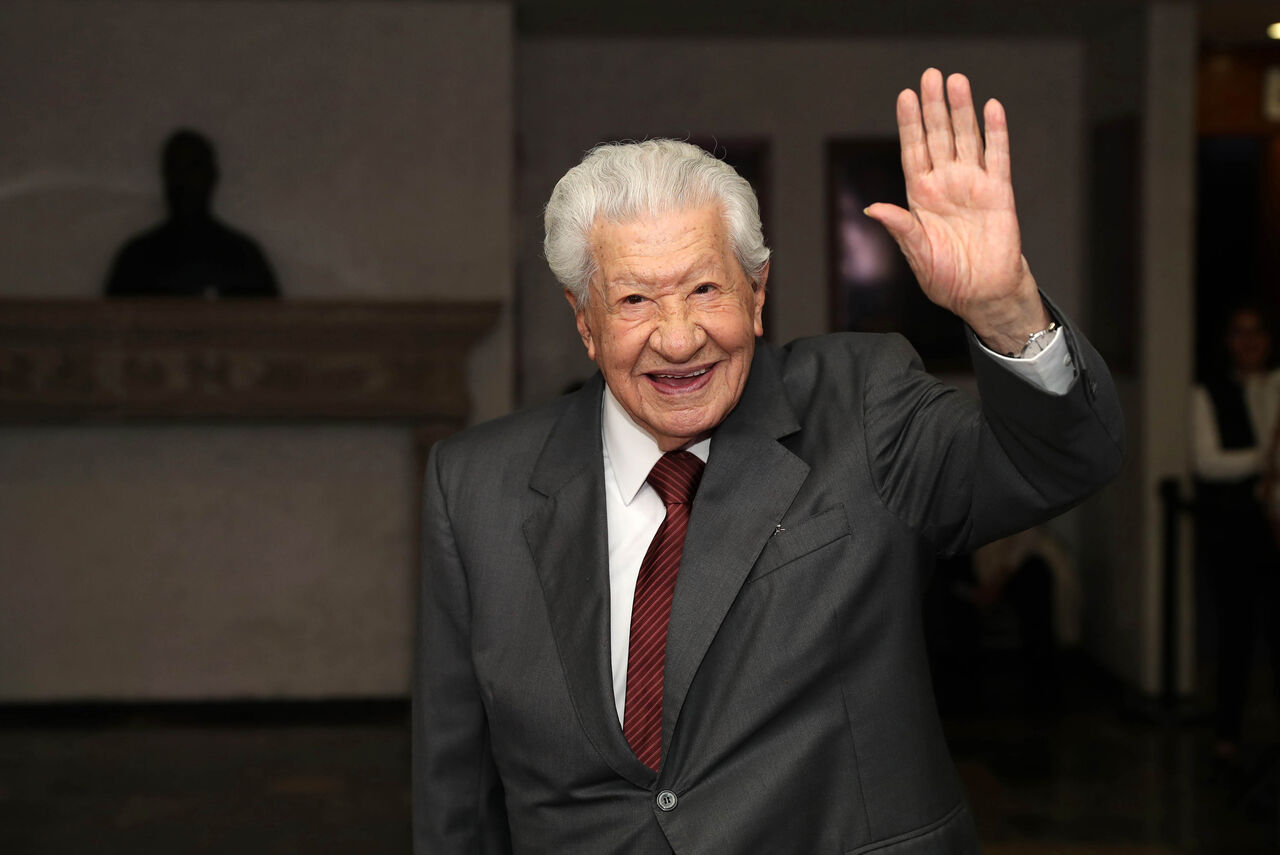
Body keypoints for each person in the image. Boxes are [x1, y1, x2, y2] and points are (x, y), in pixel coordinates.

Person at [414, 69, 1123, 854]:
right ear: (585, 321)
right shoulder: (474, 486)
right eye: (635, 300)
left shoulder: (863, 406)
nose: (679, 338)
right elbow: (455, 789)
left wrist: (1004, 309)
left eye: (705, 289)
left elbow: (1057, 462)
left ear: (757, 294)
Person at [1191, 305, 1280, 762]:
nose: (1249, 342)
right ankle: (1228, 732)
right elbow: (1207, 462)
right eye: (1240, 333)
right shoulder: (1209, 392)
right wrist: (1263, 460)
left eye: (1257, 332)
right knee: (1236, 631)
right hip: (1237, 529)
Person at [104, 129, 279, 298]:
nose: (183, 180)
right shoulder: (136, 260)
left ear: (211, 175)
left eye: (193, 167)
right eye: (175, 168)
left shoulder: (244, 258)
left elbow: (269, 315)